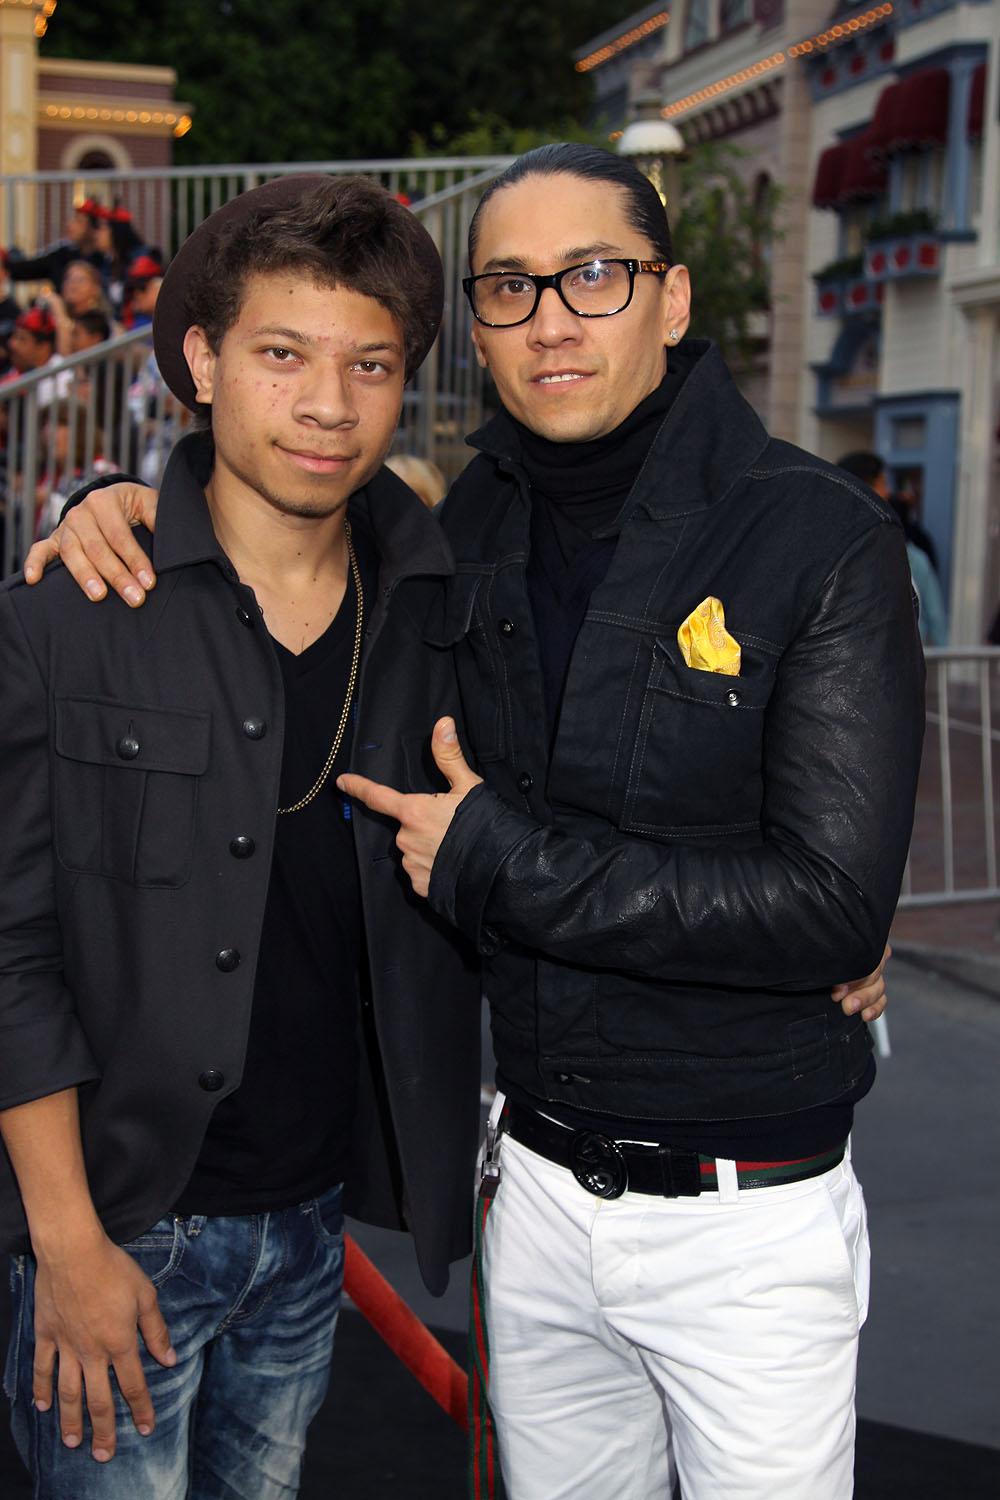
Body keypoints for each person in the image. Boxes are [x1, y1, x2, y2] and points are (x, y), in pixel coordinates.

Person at [25, 149, 897, 1500]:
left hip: (734, 1210)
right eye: (509, 287)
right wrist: (120, 505)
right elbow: (273, 503)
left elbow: (824, 898)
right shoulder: (458, 532)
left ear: (671, 300)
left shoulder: (797, 535)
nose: (551, 319)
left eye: (593, 277)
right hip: (508, 1197)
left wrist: (814, 910)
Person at [0, 173, 480, 1499]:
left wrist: (824, 930)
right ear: (203, 363)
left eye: (369, 365)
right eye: (282, 355)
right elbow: (10, 950)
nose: (328, 404)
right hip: (119, 1227)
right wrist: (67, 1245)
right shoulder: (70, 612)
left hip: (317, 1225)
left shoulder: (441, 618)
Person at [837, 450, 947, 645]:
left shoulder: (903, 552)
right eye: (883, 483)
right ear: (863, 488)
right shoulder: (897, 553)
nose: (888, 492)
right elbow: (935, 616)